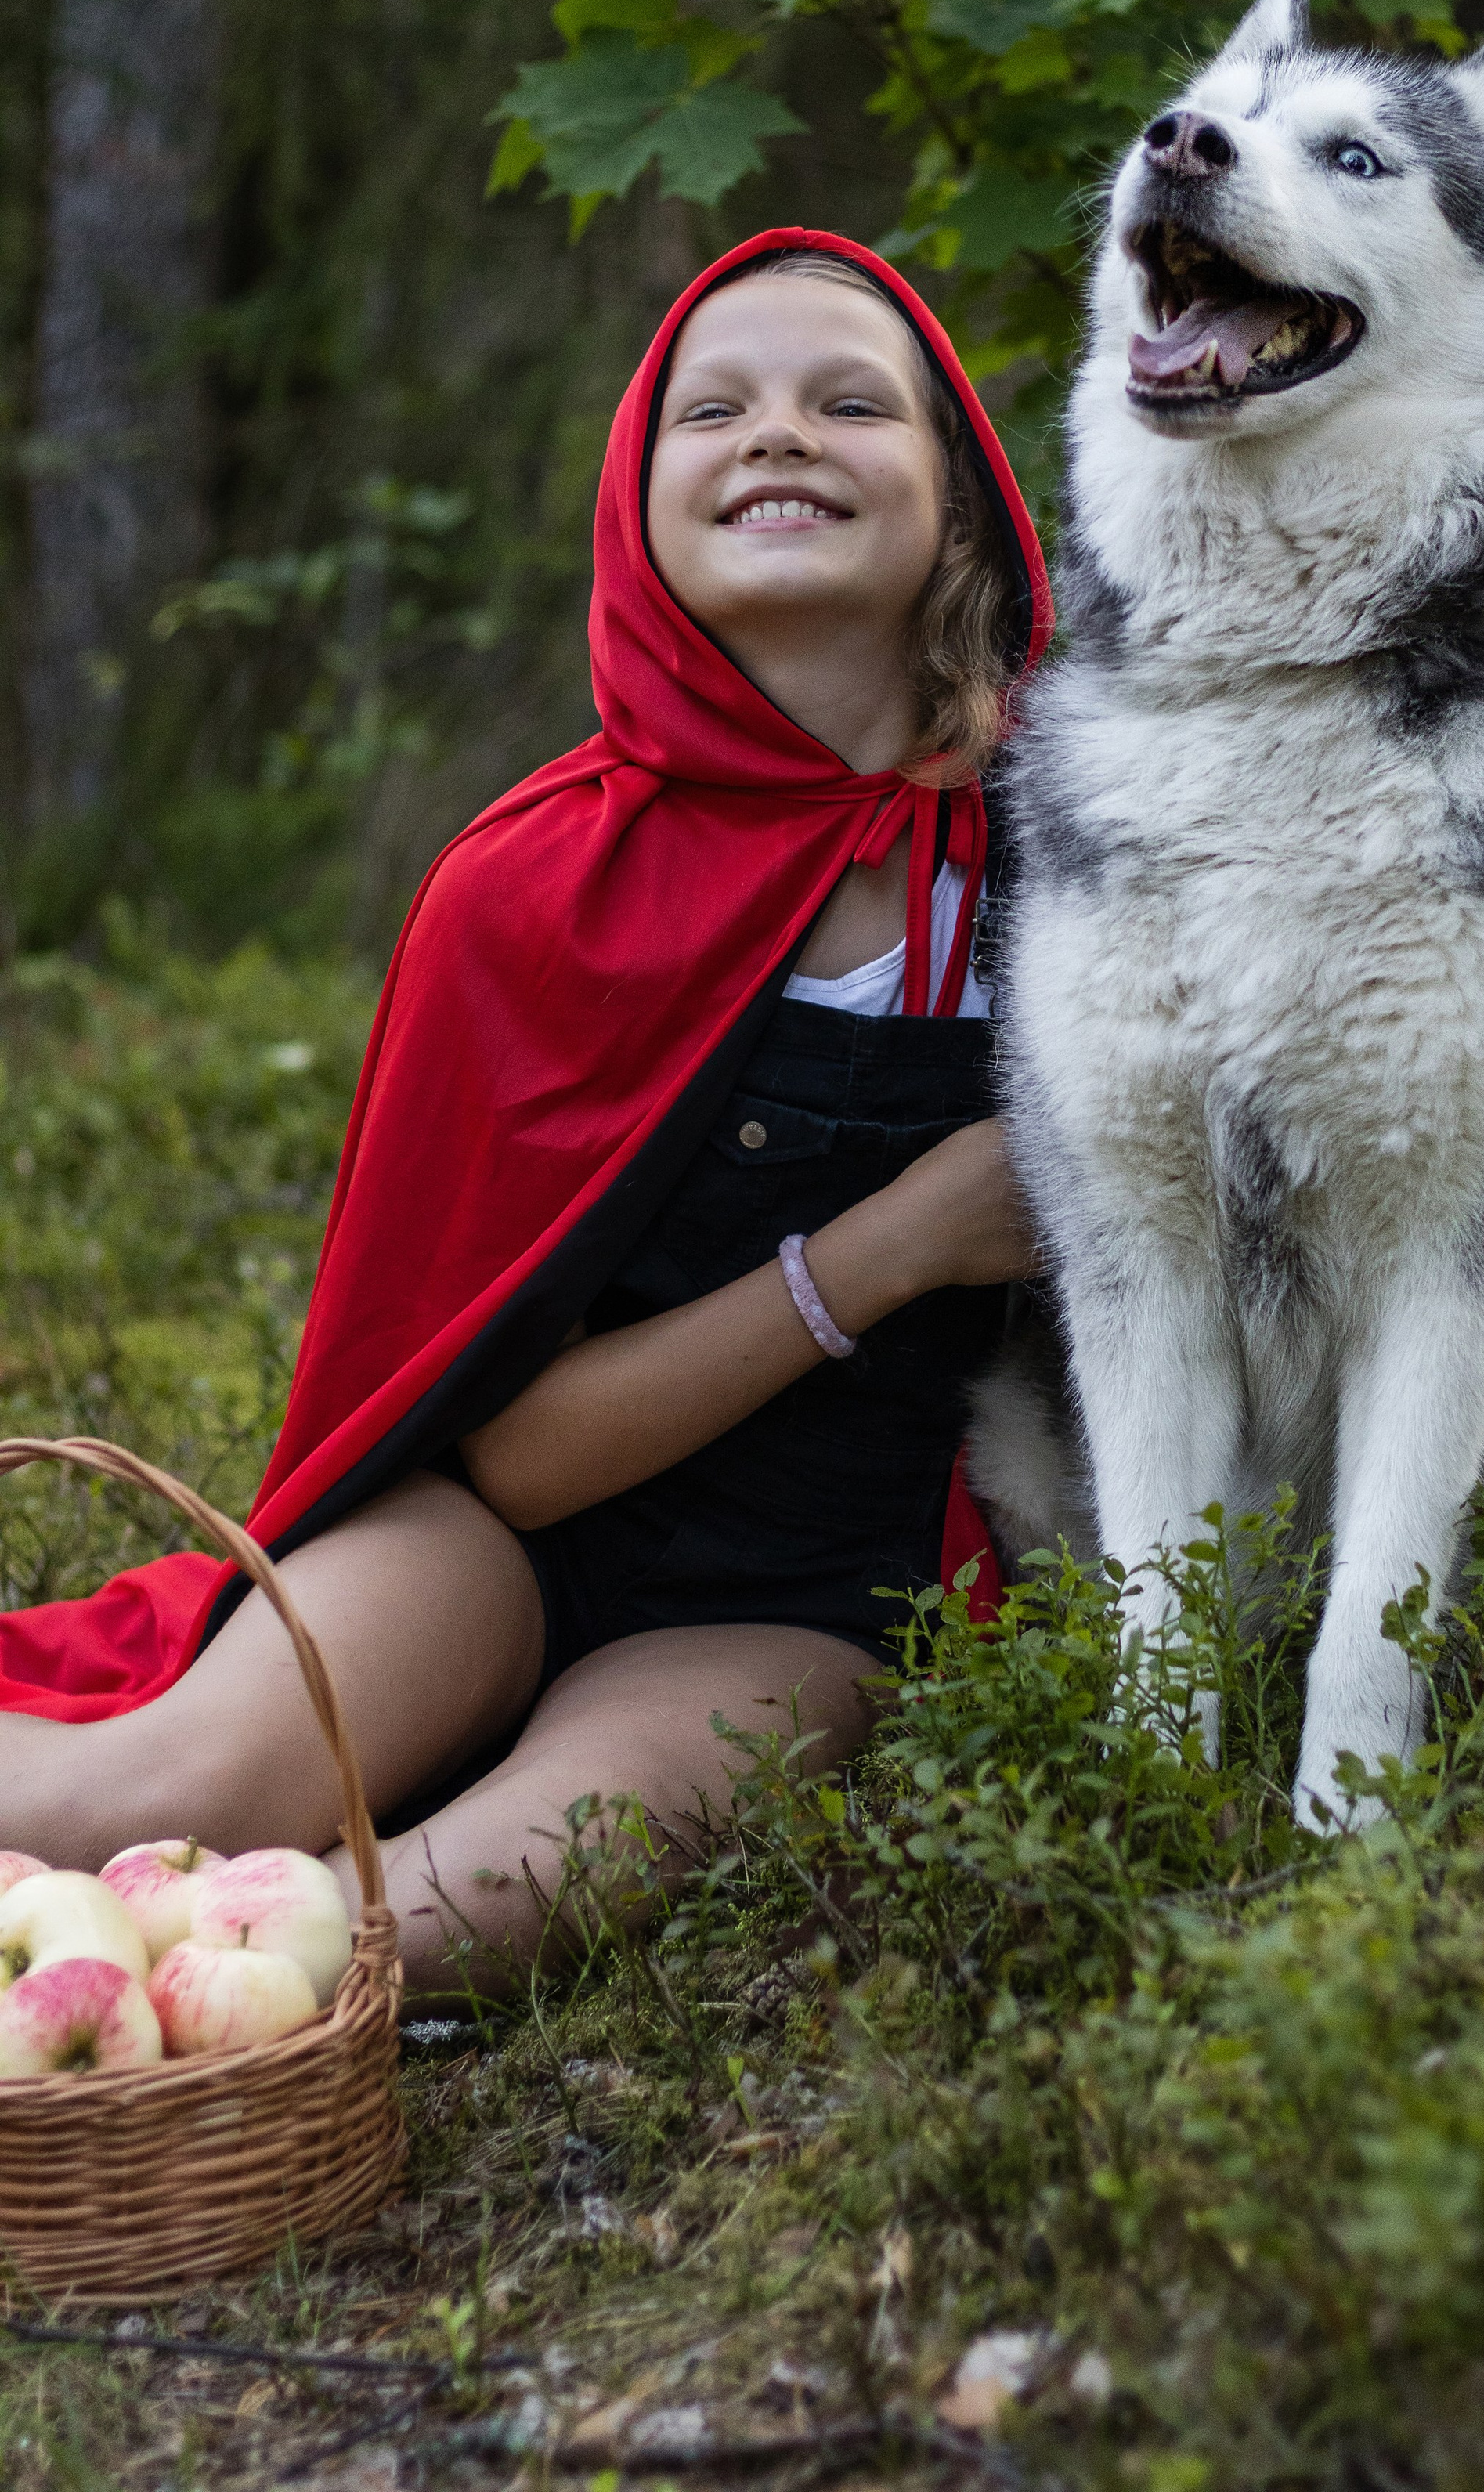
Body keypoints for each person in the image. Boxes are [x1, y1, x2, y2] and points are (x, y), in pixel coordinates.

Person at [0, 233, 1053, 1994]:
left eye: (847, 402)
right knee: (161, 1792)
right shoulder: (528, 890)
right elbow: (522, 1451)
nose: (776, 434)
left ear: (959, 501)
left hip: (796, 1600)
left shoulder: (1081, 842)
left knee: (428, 1919)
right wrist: (888, 1247)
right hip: (498, 1532)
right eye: (711, 408)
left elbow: (1337, 860)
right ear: (635, 509)